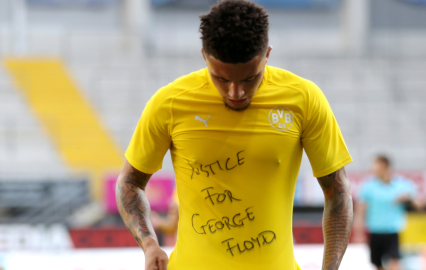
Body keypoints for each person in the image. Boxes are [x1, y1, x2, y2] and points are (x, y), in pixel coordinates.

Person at [116, 1, 353, 269]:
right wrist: (149, 243)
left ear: (267, 54)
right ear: (204, 56)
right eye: (222, 79)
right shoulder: (169, 103)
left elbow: (338, 192)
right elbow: (129, 182)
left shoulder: (304, 99)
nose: (235, 93)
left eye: (249, 79)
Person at [353, 155, 426, 270]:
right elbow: (360, 211)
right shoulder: (368, 186)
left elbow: (421, 205)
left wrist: (409, 198)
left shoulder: (402, 185)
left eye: (376, 167)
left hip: (393, 231)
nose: (373, 170)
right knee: (377, 264)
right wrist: (358, 233)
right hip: (375, 231)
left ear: (385, 166)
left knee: (394, 262)